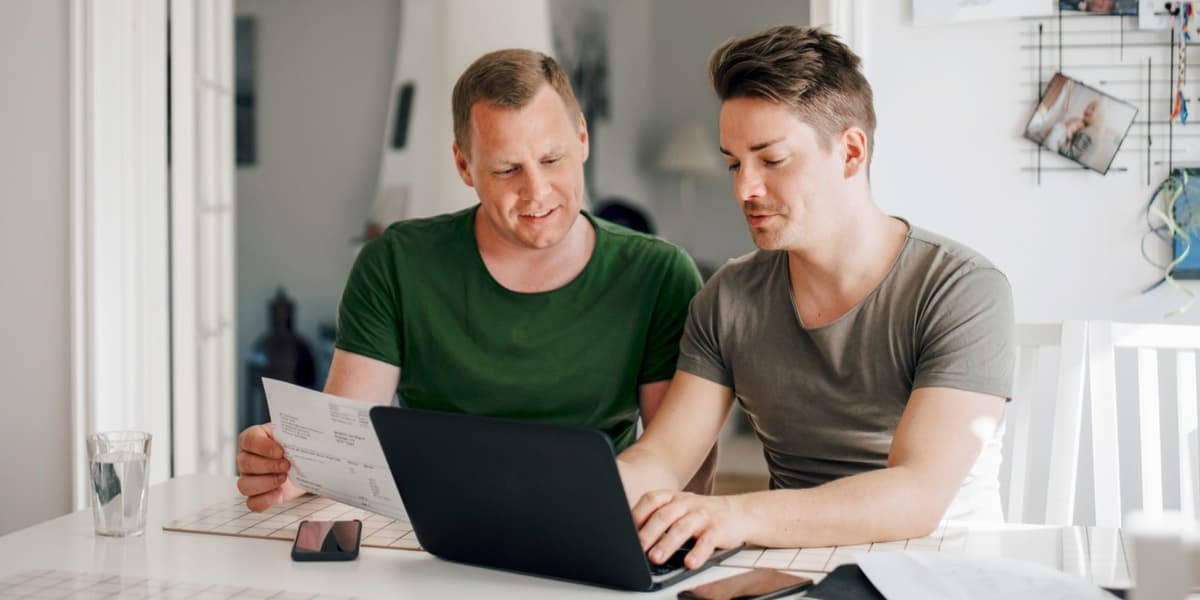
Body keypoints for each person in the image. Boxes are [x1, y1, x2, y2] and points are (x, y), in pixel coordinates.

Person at [236, 48, 714, 511]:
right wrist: (291, 467)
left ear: (583, 138)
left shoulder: (659, 275)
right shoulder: (396, 263)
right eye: (507, 169)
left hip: (592, 520)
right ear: (464, 165)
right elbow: (343, 451)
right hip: (430, 529)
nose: (537, 192)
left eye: (552, 160)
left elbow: (679, 471)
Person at [616, 25, 1014, 570]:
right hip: (789, 569)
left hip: (943, 568)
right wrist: (578, 496)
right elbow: (664, 457)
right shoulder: (727, 298)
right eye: (734, 163)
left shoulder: (961, 289)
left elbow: (917, 496)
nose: (744, 189)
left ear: (850, 152)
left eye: (772, 160)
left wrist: (734, 513)